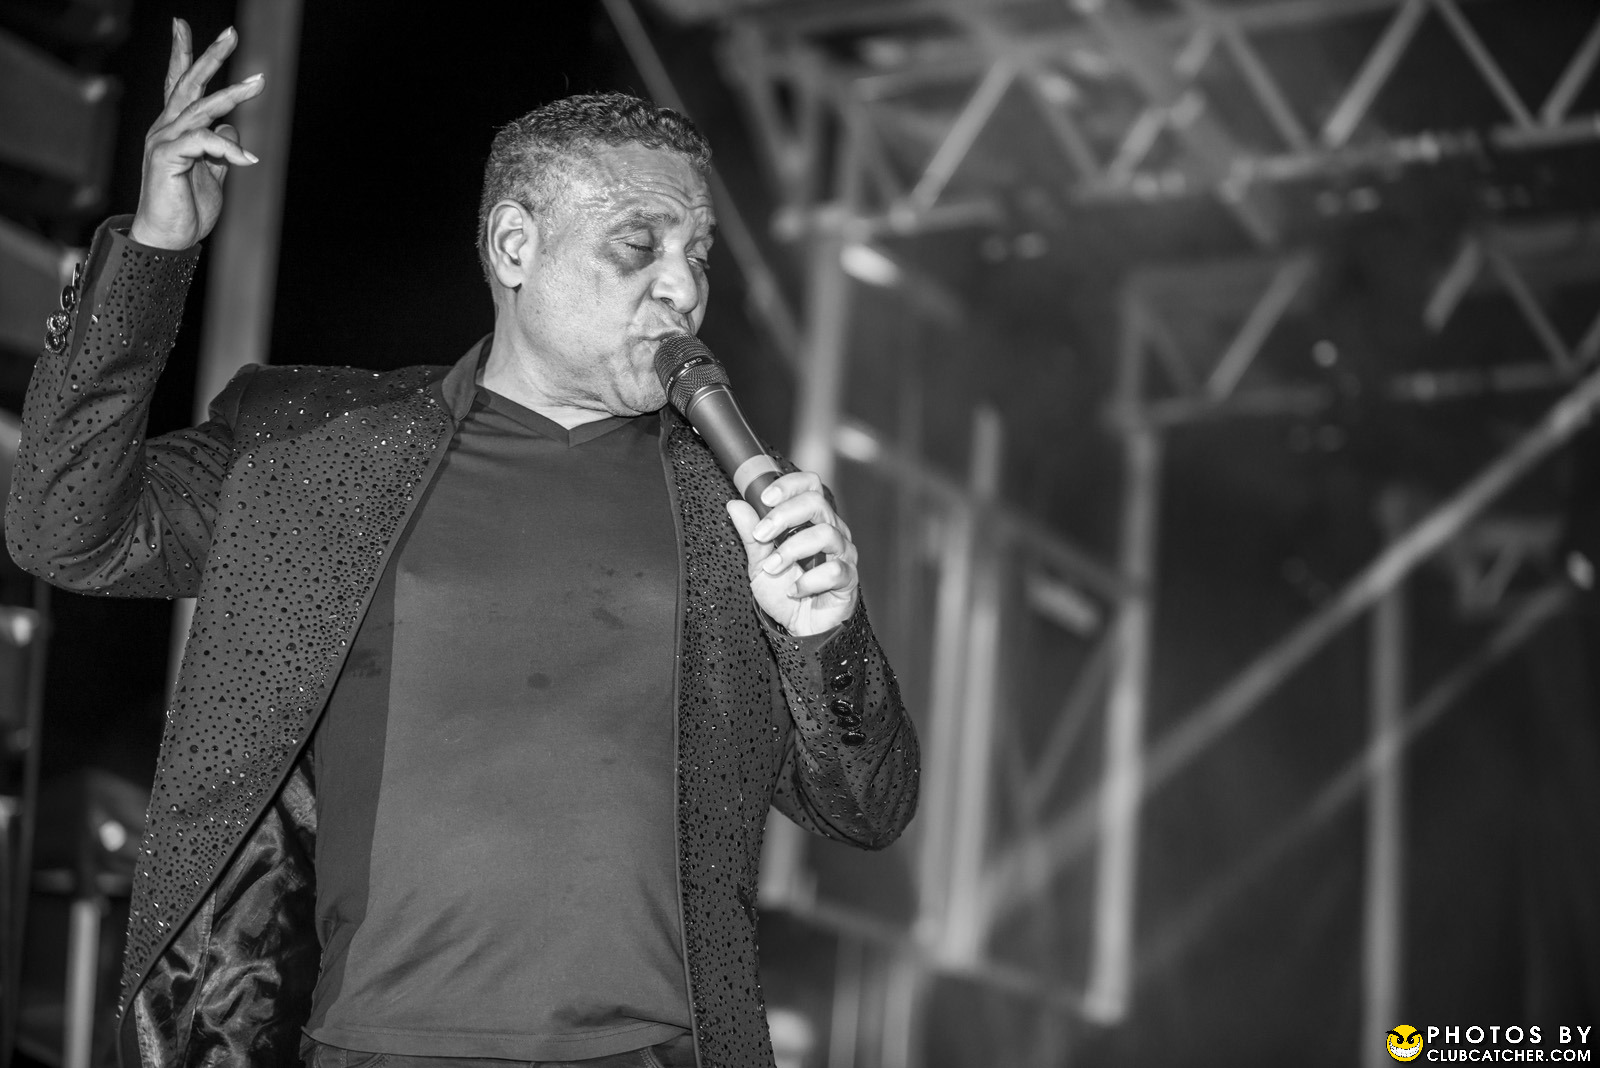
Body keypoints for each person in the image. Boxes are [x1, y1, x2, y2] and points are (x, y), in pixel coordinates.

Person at [7, 20, 918, 1068]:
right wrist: (153, 253)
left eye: (697, 253)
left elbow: (869, 809)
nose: (682, 286)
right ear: (514, 246)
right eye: (640, 245)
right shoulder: (314, 451)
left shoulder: (737, 517)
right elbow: (63, 526)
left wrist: (826, 635)